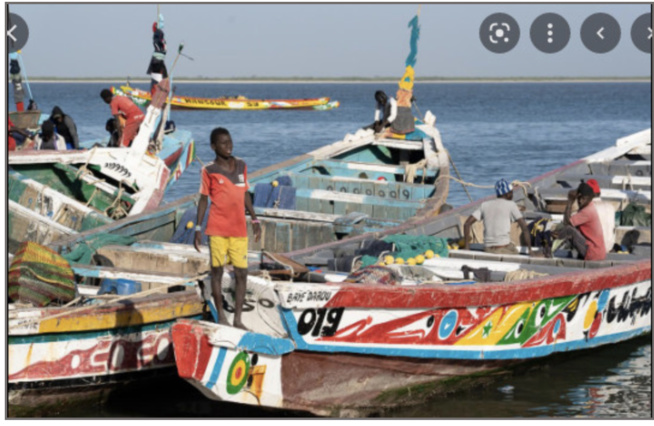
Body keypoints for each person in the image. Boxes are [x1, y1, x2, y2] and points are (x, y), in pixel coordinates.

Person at [194, 127, 261, 329]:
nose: (228, 146)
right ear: (214, 147)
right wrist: (197, 228)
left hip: (239, 229)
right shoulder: (208, 170)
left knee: (242, 273)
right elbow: (203, 200)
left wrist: (255, 219)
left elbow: (245, 194)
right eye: (223, 143)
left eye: (230, 142)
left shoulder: (241, 165)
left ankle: (238, 319)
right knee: (217, 272)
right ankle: (221, 316)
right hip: (217, 229)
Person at [464, 179, 532, 255]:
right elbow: (524, 228)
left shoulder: (484, 205)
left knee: (512, 247)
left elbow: (467, 224)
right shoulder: (511, 205)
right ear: (507, 194)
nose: (512, 195)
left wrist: (467, 247)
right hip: (502, 248)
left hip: (488, 248)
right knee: (518, 257)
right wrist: (530, 250)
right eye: (511, 192)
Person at [552, 182, 606, 261]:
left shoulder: (587, 211)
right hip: (598, 252)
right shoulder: (589, 207)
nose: (580, 201)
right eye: (579, 198)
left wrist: (570, 201)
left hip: (593, 253)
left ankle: (549, 250)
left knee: (568, 230)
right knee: (572, 229)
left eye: (584, 199)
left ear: (590, 198)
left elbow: (566, 223)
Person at [146, 16, 168, 96]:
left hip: (159, 59)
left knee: (163, 78)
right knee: (157, 78)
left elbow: (161, 45)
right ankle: (156, 94)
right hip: (157, 60)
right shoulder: (158, 34)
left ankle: (160, 94)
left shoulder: (160, 34)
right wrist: (161, 48)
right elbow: (156, 42)